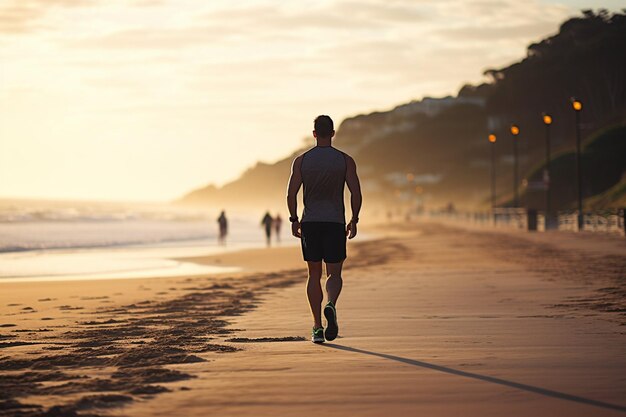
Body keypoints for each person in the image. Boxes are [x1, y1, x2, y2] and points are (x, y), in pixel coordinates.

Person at [286, 115, 362, 344]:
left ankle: (318, 327)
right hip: (335, 223)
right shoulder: (345, 160)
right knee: (335, 274)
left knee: (313, 275)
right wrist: (354, 219)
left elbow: (291, 193)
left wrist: (294, 219)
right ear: (333, 133)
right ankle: (331, 303)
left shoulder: (302, 161)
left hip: (310, 223)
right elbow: (356, 193)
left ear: (314, 134)